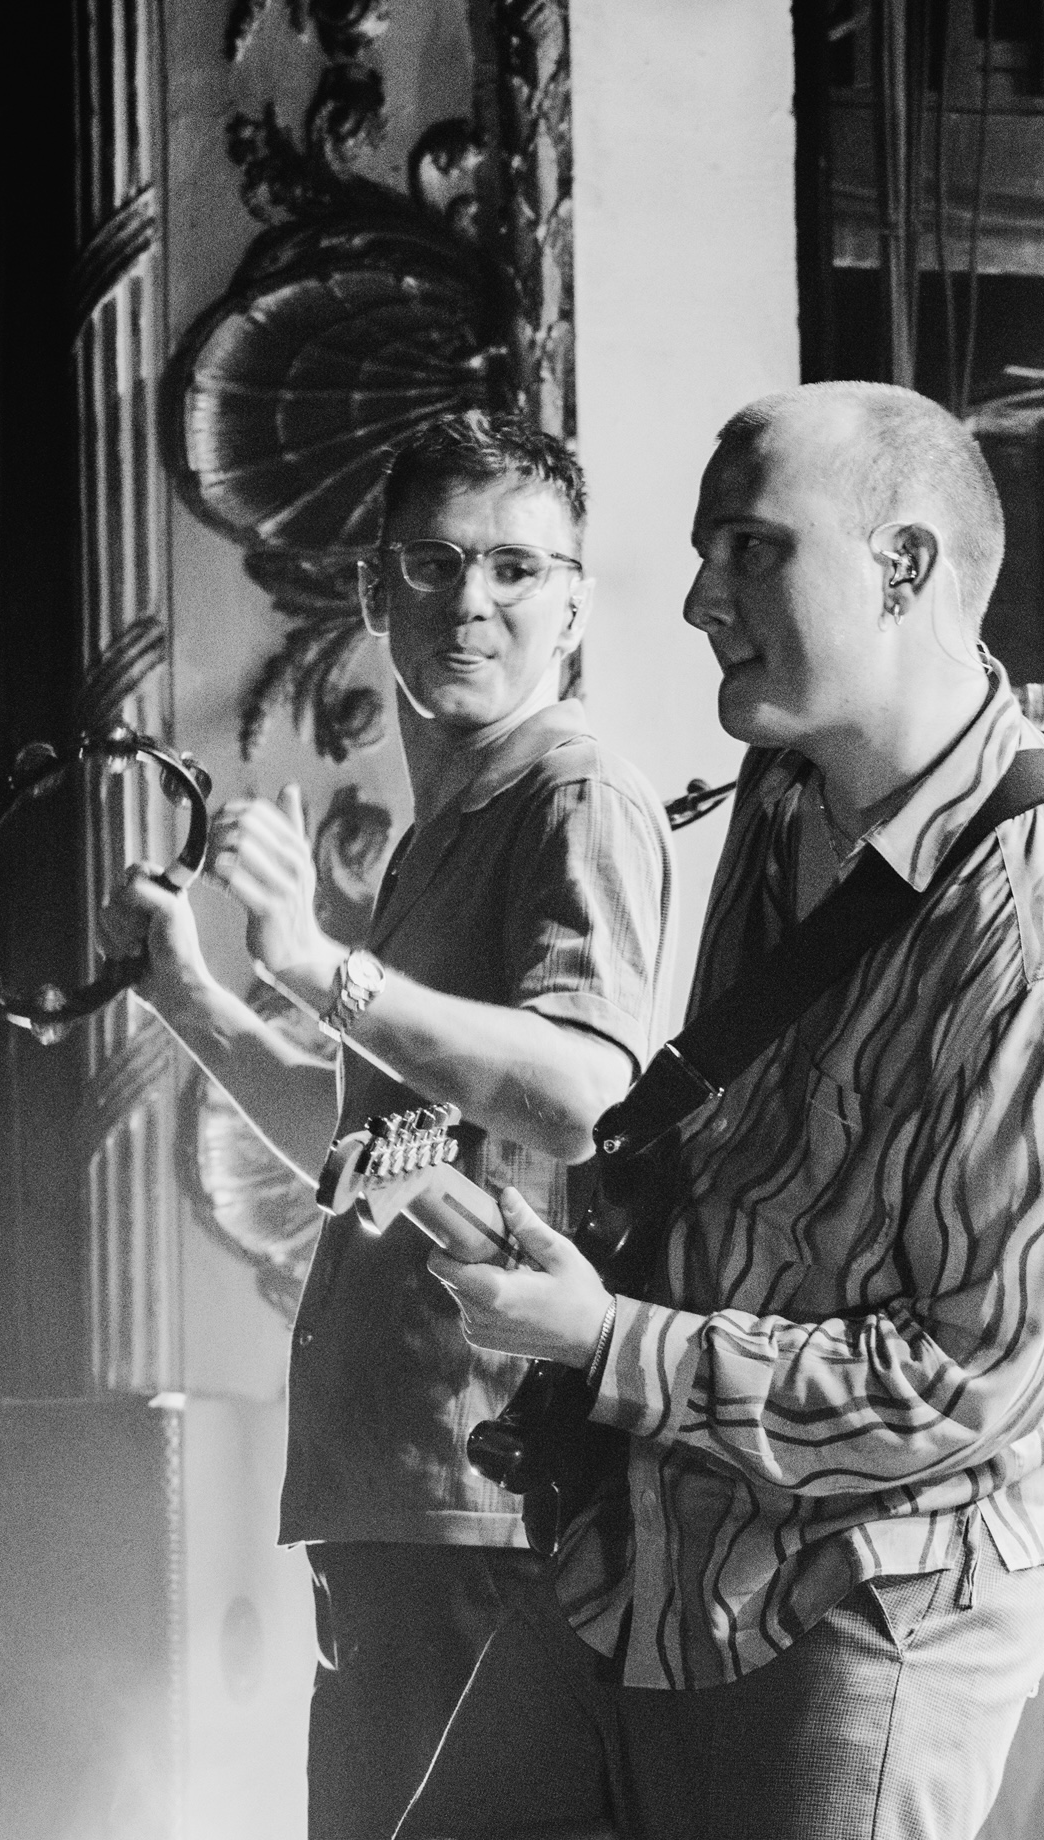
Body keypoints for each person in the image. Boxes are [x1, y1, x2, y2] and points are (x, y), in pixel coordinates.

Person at [399, 381, 1044, 1840]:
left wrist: (605, 1340)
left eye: (753, 550)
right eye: (706, 553)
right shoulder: (781, 793)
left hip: (884, 1584)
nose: (700, 598)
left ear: (907, 567)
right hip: (662, 1545)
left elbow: (965, 1381)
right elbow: (740, 1169)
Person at [102, 410, 673, 1840]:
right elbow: (380, 1159)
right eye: (434, 565)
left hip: (486, 1491)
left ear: (574, 605)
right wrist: (198, 1004)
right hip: (397, 1499)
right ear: (373, 593)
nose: (474, 602)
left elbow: (584, 1089)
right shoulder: (448, 827)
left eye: (518, 569)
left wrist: (317, 965)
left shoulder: (573, 797)